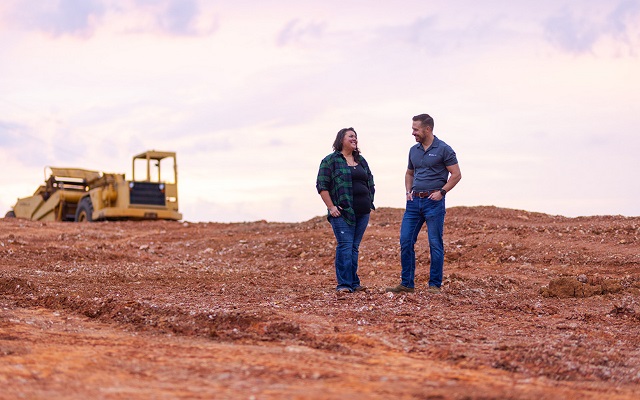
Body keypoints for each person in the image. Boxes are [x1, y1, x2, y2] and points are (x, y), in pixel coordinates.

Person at [386, 114, 461, 294]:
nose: (413, 133)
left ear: (427, 129)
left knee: (435, 243)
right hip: (414, 203)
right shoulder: (413, 150)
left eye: (416, 129)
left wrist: (442, 192)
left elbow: (456, 174)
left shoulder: (444, 149)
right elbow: (409, 173)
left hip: (433, 202)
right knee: (405, 240)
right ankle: (407, 284)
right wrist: (407, 192)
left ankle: (434, 285)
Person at [316, 127, 375, 296]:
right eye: (351, 136)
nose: (354, 139)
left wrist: (369, 201)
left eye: (356, 137)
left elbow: (370, 181)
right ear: (341, 139)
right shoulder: (330, 161)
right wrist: (331, 207)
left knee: (354, 248)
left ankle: (354, 283)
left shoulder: (361, 160)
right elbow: (322, 185)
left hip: (363, 212)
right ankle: (344, 284)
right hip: (342, 213)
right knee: (345, 246)